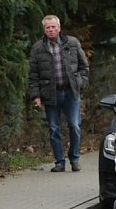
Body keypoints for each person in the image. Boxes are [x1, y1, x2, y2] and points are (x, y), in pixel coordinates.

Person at [28, 15, 90, 172]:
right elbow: (33, 75)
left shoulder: (72, 43)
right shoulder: (38, 48)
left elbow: (84, 66)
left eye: (53, 27)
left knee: (74, 125)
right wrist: (36, 96)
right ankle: (59, 162)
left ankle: (74, 158)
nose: (51, 30)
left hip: (71, 92)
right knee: (54, 128)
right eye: (47, 27)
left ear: (59, 27)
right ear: (44, 30)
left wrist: (80, 83)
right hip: (51, 93)